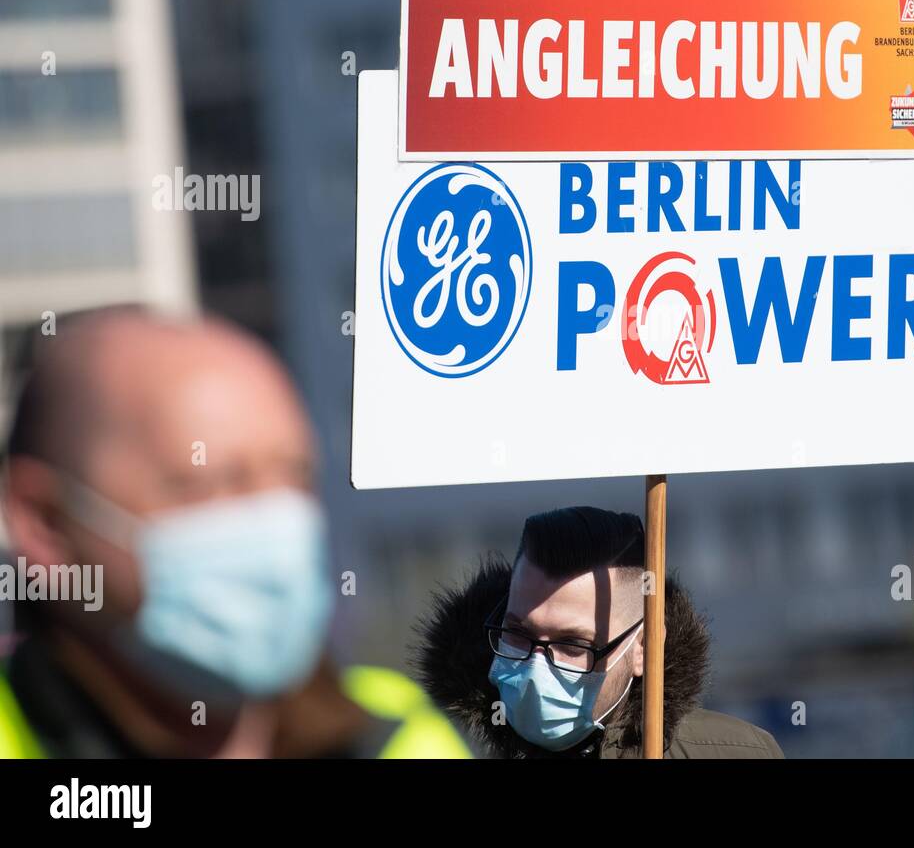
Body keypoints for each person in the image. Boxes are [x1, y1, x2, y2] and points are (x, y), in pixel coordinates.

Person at [0, 306, 468, 758]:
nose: (273, 521)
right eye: (209, 484)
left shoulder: (398, 735)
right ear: (45, 523)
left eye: (294, 476)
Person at [417, 505, 783, 758]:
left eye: (573, 645)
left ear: (642, 647)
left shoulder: (734, 752)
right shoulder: (431, 747)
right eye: (517, 632)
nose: (534, 669)